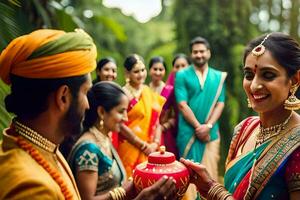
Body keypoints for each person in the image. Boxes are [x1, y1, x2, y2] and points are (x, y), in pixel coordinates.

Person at [181, 32, 300, 200]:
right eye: (249, 75)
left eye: (268, 75)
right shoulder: (244, 129)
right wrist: (208, 187)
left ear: (294, 80)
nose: (254, 85)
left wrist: (213, 190)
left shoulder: (296, 144)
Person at [0, 29, 97, 199]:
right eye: (85, 92)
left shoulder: (42, 145)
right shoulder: (32, 187)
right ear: (63, 97)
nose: (88, 105)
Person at [68, 81, 176, 200]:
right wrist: (124, 191)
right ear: (102, 112)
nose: (125, 118)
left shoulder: (103, 139)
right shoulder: (88, 150)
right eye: (121, 111)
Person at [175, 36, 227, 182]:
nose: (199, 55)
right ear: (191, 54)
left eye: (202, 51)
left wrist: (208, 126)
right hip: (188, 133)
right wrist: (199, 128)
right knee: (188, 177)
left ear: (208, 53)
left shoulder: (219, 77)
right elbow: (182, 105)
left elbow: (220, 103)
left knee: (210, 177)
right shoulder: (181, 75)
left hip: (211, 134)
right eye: (195, 52)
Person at [118, 54, 166, 177]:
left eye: (143, 70)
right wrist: (142, 145)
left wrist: (155, 143)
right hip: (129, 147)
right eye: (136, 71)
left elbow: (157, 122)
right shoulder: (122, 94)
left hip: (151, 147)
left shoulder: (148, 91)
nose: (141, 74)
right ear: (127, 74)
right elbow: (119, 124)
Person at [159, 53, 190, 158]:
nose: (180, 69)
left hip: (193, 129)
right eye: (177, 66)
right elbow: (161, 111)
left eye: (183, 65)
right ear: (173, 69)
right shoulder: (169, 89)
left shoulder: (195, 86)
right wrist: (168, 123)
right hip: (174, 132)